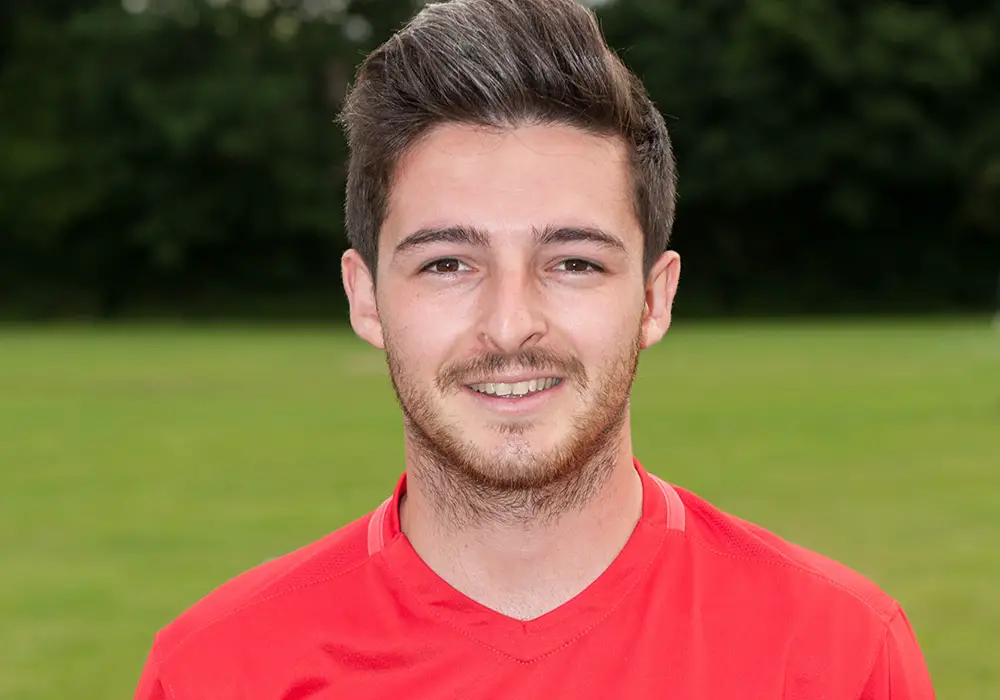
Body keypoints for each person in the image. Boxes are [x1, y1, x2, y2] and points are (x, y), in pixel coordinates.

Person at [134, 0, 936, 697]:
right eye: (448, 263)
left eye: (573, 262)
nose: (511, 324)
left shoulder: (837, 653)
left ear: (654, 298)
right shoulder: (218, 671)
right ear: (366, 296)